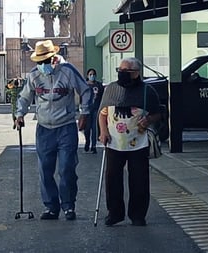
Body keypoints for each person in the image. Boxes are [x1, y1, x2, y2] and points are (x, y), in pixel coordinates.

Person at [15, 40, 92, 221]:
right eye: (39, 62)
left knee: (66, 168)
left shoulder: (68, 71)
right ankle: (51, 207)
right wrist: (19, 115)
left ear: (54, 58)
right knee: (45, 170)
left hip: (66, 127)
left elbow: (86, 91)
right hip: (44, 129)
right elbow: (25, 97)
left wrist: (84, 113)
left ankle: (68, 206)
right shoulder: (34, 75)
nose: (42, 66)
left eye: (45, 61)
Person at [98, 57, 161, 226]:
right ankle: (115, 213)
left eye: (126, 71)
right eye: (120, 70)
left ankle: (138, 215)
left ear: (136, 73)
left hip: (138, 142)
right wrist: (103, 132)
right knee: (112, 179)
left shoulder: (147, 91)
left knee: (139, 179)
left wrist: (148, 120)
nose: (122, 74)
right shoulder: (111, 89)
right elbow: (102, 113)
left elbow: (158, 113)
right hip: (114, 142)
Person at [83, 68, 105, 154]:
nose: (92, 76)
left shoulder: (99, 85)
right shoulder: (85, 85)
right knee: (87, 128)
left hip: (96, 108)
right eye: (90, 74)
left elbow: (103, 96)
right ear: (88, 75)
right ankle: (87, 142)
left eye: (93, 74)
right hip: (87, 109)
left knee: (94, 128)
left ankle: (93, 146)